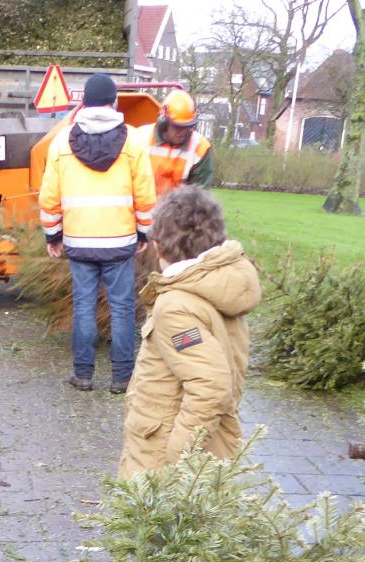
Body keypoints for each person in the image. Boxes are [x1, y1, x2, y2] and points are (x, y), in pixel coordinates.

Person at [117, 187, 260, 477]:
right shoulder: (216, 286)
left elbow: (210, 384)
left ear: (158, 245)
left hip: (162, 460)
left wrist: (178, 457)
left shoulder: (176, 307)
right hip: (208, 443)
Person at [39, 73, 157, 394]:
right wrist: (144, 233)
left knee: (84, 307)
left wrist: (53, 235)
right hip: (120, 242)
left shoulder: (62, 141)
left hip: (78, 242)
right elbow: (145, 195)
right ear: (114, 103)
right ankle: (122, 378)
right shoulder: (133, 141)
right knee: (122, 309)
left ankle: (83, 374)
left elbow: (49, 195)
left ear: (83, 104)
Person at [137, 90, 213, 199]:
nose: (183, 132)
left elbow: (200, 198)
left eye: (188, 126)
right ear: (163, 122)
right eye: (178, 127)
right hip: (143, 211)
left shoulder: (200, 147)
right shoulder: (140, 139)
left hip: (178, 214)